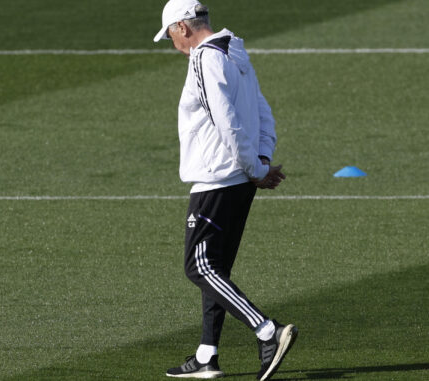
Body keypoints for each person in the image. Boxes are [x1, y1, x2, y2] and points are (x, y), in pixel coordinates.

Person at [153, 0, 297, 380]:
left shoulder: (203, 58)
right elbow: (262, 110)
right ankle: (207, 355)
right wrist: (261, 162)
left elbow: (226, 120)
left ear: (183, 27)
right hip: (239, 180)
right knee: (216, 268)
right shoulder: (233, 50)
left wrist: (255, 169)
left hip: (217, 179)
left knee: (198, 267)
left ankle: (268, 332)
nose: (173, 44)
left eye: (170, 35)